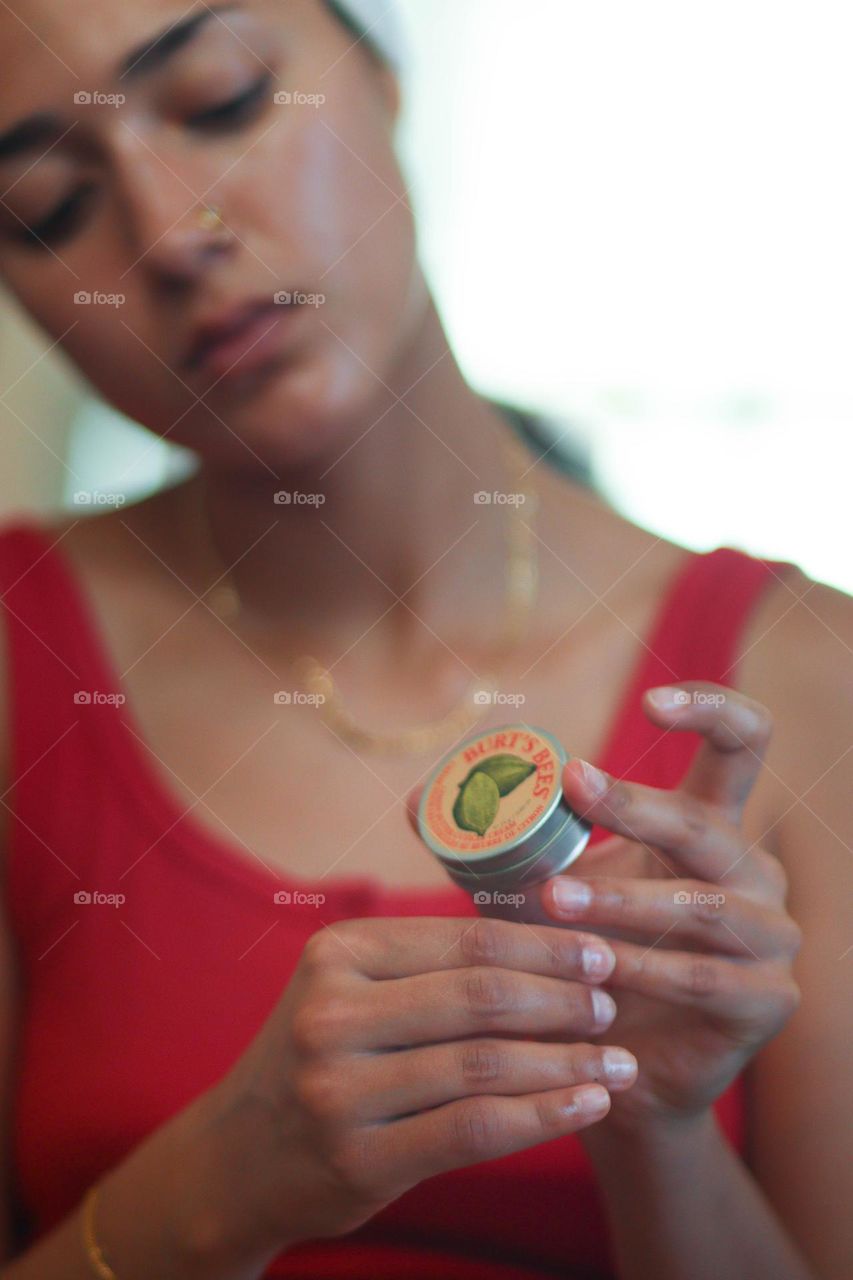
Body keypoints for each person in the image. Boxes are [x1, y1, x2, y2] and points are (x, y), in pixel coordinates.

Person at [0, 2, 850, 1277]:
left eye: (224, 100)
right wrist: (223, 1183)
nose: (172, 237)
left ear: (384, 71)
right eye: (48, 202)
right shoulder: (21, 663)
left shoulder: (809, 682)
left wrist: (653, 1129)